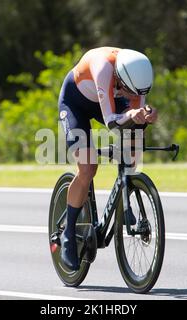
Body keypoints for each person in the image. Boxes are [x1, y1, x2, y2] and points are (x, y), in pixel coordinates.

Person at [58, 47, 158, 270]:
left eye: (137, 94)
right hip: (76, 103)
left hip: (107, 100)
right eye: (130, 92)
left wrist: (146, 114)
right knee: (88, 167)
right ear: (120, 78)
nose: (134, 97)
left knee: (136, 132)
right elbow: (112, 121)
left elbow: (135, 122)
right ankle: (69, 232)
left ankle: (125, 196)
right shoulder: (104, 68)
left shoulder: (136, 76)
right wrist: (131, 114)